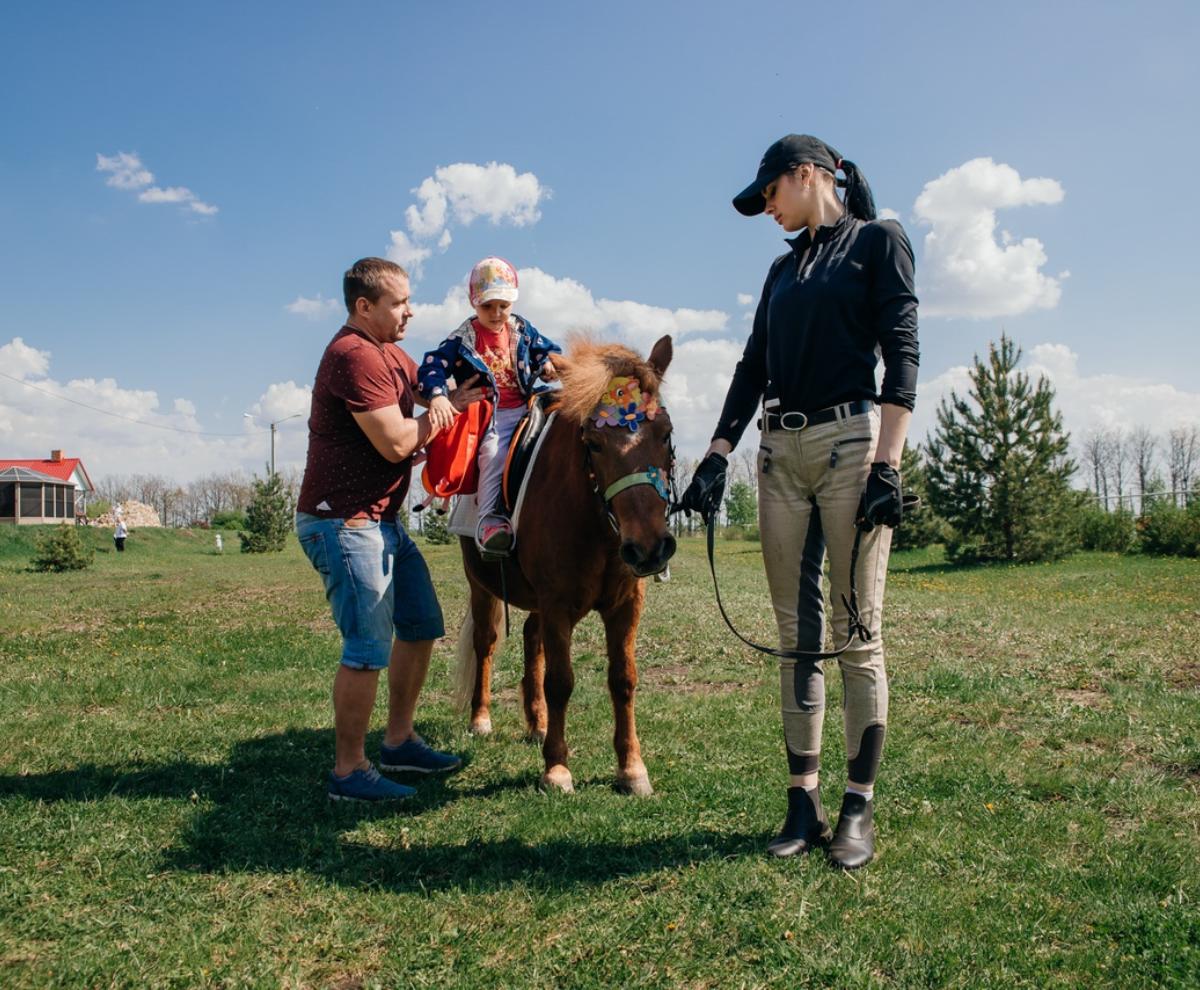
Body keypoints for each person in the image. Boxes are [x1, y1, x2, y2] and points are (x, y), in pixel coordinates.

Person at [681, 134, 919, 869]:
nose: (768, 212)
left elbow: (904, 347)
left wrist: (889, 460)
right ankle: (801, 800)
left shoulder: (879, 242)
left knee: (857, 631)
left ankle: (857, 806)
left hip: (852, 446)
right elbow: (754, 364)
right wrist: (718, 454)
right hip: (779, 455)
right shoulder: (781, 270)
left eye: (771, 196)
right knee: (795, 635)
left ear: (809, 174)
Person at [295, 257, 485, 802]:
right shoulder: (352, 356)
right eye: (399, 302)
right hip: (343, 522)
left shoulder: (392, 355)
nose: (410, 311)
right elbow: (399, 442)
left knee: (422, 624)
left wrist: (458, 392)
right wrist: (439, 418)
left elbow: (430, 390)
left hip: (382, 521)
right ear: (364, 307)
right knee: (366, 647)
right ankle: (349, 772)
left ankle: (398, 740)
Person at [416, 257, 560, 556]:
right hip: (495, 414)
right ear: (473, 303)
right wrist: (439, 395)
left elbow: (545, 349)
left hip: (529, 404)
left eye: (503, 306)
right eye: (487, 306)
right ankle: (488, 521)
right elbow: (432, 365)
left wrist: (546, 363)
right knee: (493, 454)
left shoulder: (522, 329)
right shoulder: (462, 339)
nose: (497, 314)